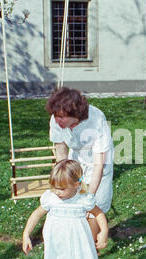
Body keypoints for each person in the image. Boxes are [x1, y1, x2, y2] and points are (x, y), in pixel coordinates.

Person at [22, 159, 109, 259]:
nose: (57, 192)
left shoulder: (83, 200)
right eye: (54, 187)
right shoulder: (50, 199)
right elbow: (36, 214)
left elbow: (98, 214)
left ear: (77, 184)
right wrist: (26, 234)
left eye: (61, 189)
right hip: (58, 244)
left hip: (78, 242)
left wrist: (103, 232)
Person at [46, 87, 114, 240]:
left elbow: (98, 164)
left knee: (94, 206)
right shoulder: (56, 120)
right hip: (76, 158)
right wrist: (64, 177)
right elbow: (61, 150)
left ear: (75, 114)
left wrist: (90, 195)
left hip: (100, 162)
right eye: (56, 116)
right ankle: (75, 239)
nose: (57, 121)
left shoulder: (96, 119)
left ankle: (92, 246)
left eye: (62, 117)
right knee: (73, 200)